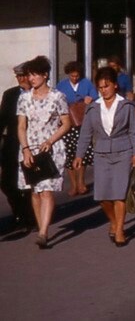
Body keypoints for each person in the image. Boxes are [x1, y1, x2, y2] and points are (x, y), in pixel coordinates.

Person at [73, 66, 135, 247]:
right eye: (100, 87)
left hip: (123, 151)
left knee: (119, 194)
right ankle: (113, 221)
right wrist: (79, 155)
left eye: (107, 86)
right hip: (101, 153)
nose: (104, 90)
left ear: (115, 86)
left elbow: (134, 131)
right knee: (103, 196)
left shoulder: (126, 106)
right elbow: (86, 133)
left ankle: (120, 229)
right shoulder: (93, 108)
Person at [16, 56, 71, 248]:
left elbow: (66, 123)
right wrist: (25, 150)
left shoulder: (58, 97)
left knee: (46, 190)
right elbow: (21, 126)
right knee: (35, 191)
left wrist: (51, 140)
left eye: (34, 74)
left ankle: (43, 232)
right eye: (29, 75)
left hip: (50, 149)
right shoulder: (24, 98)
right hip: (29, 148)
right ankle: (42, 228)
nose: (31, 78)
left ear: (45, 75)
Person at [55, 61, 97, 196]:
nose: (75, 78)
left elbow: (95, 97)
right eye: (72, 76)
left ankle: (81, 182)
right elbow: (56, 102)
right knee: (69, 154)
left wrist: (89, 100)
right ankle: (73, 184)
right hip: (67, 123)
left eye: (77, 76)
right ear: (68, 74)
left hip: (83, 122)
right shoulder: (61, 85)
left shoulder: (87, 83)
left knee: (82, 153)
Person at [1, 63, 35, 232]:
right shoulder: (10, 94)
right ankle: (18, 212)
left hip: (33, 143)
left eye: (24, 76)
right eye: (19, 77)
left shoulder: (38, 94)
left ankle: (31, 217)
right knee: (7, 183)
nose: (22, 80)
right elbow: (3, 119)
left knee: (31, 182)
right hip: (12, 144)